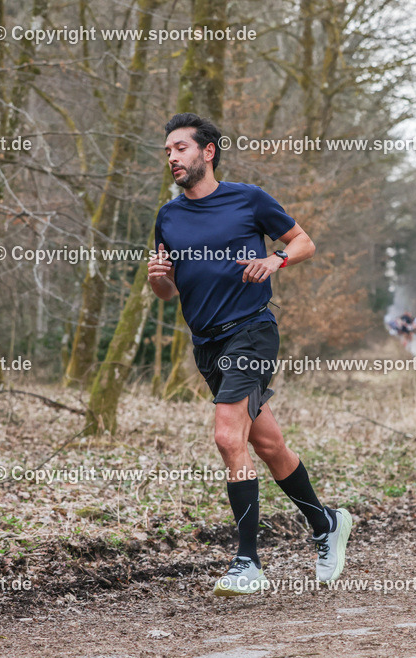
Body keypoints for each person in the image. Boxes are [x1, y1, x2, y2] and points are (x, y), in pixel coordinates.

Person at [148, 113, 352, 597]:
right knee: (267, 444)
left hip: (252, 331)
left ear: (208, 151)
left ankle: (247, 562)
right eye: (168, 151)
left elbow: (303, 242)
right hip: (207, 343)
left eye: (180, 148)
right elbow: (166, 291)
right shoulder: (168, 216)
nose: (173, 158)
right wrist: (159, 279)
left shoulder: (248, 199)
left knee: (225, 434)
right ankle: (326, 523)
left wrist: (272, 260)